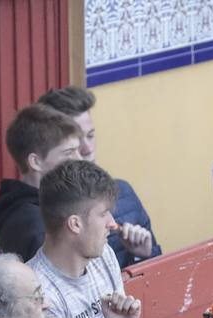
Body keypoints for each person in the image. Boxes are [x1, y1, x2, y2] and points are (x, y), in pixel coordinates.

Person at [28, 160, 159, 318]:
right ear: (75, 224)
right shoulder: (39, 294)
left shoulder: (104, 255)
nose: (112, 222)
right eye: (104, 213)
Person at [36, 86, 161, 269]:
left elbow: (158, 274)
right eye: (76, 140)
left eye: (91, 136)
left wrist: (143, 255)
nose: (87, 149)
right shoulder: (41, 217)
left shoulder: (124, 193)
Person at [0, 104, 83, 260]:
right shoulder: (38, 226)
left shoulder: (25, 211)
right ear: (35, 162)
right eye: (68, 153)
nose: (80, 159)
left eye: (78, 150)